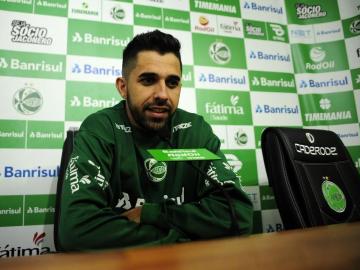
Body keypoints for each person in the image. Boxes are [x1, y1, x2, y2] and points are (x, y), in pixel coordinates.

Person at [57, 30, 253, 251]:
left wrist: (152, 214)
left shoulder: (195, 131)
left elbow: (239, 214)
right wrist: (182, 238)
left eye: (172, 83)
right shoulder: (101, 128)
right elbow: (77, 230)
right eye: (148, 80)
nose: (162, 93)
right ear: (123, 87)